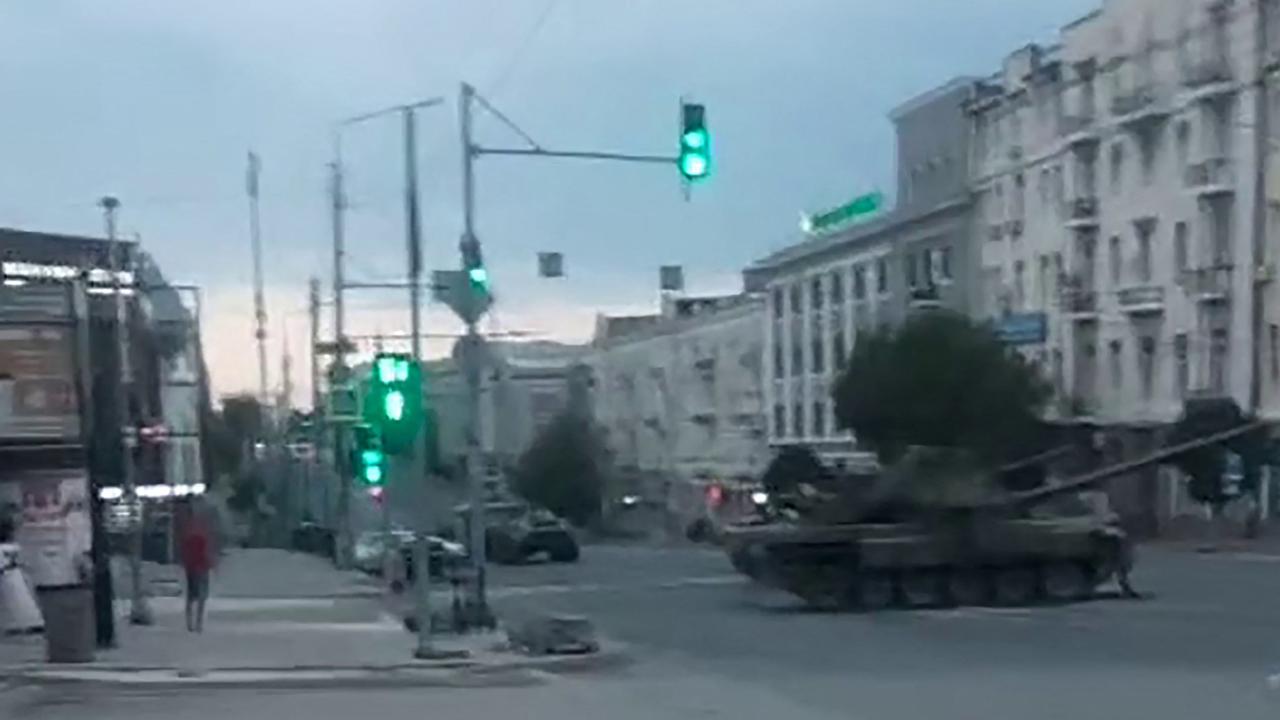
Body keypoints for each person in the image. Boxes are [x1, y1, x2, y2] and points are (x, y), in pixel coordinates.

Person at [180, 515, 213, 632]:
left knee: (191, 597)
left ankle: (191, 623)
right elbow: (206, 553)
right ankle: (197, 623)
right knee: (201, 598)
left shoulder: (188, 539)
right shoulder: (201, 539)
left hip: (192, 567)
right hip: (200, 567)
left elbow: (185, 554)